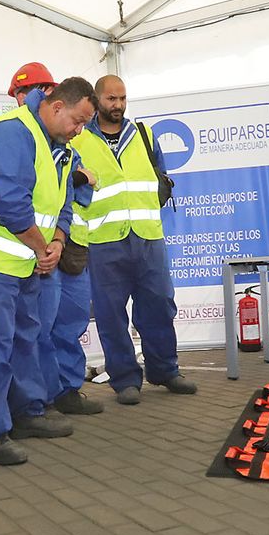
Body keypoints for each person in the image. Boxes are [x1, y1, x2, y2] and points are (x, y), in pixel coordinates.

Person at [0, 78, 95, 465]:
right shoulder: (10, 132)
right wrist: (41, 246)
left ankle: (28, 414)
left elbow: (63, 203)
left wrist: (58, 242)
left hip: (27, 261)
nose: (79, 131)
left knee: (25, 339)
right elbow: (10, 205)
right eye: (77, 121)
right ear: (57, 105)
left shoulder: (60, 147)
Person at [70, 74, 196, 405]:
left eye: (123, 98)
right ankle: (125, 379)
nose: (119, 105)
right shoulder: (79, 139)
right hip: (103, 240)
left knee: (159, 305)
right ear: (97, 101)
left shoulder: (143, 134)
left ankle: (165, 370)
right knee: (111, 314)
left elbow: (160, 178)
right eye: (112, 99)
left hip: (148, 238)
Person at [9, 63, 102, 416]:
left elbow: (77, 197)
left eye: (32, 90)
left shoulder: (65, 144)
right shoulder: (15, 137)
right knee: (39, 328)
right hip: (36, 251)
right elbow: (16, 199)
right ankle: (40, 397)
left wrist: (80, 181)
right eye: (21, 93)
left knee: (70, 324)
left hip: (69, 247)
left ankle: (66, 390)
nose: (25, 98)